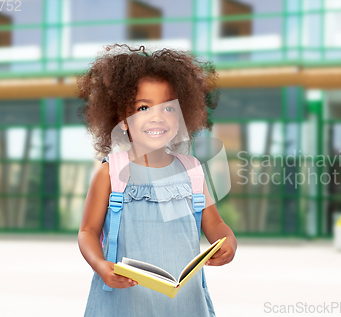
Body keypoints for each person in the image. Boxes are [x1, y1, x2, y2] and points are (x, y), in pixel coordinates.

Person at [76, 44, 237, 316]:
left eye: (168, 109)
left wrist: (228, 241)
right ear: (122, 119)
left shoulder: (192, 170)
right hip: (125, 303)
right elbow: (87, 232)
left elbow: (216, 225)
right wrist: (100, 265)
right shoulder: (111, 173)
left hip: (185, 303)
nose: (157, 117)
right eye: (143, 107)